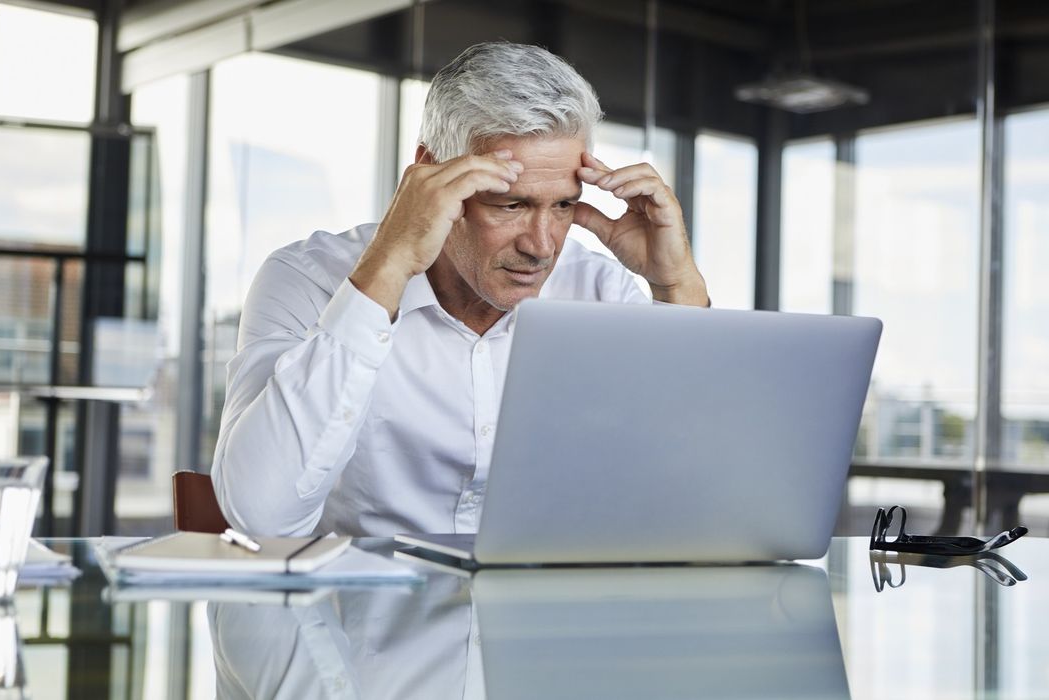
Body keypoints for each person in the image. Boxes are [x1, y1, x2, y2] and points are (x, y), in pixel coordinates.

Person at [211, 41, 709, 537]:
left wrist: (675, 285)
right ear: (429, 172)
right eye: (509, 205)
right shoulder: (305, 280)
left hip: (546, 609)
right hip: (360, 614)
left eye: (562, 207)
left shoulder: (600, 289)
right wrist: (387, 269)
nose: (541, 247)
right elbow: (262, 517)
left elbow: (696, 492)